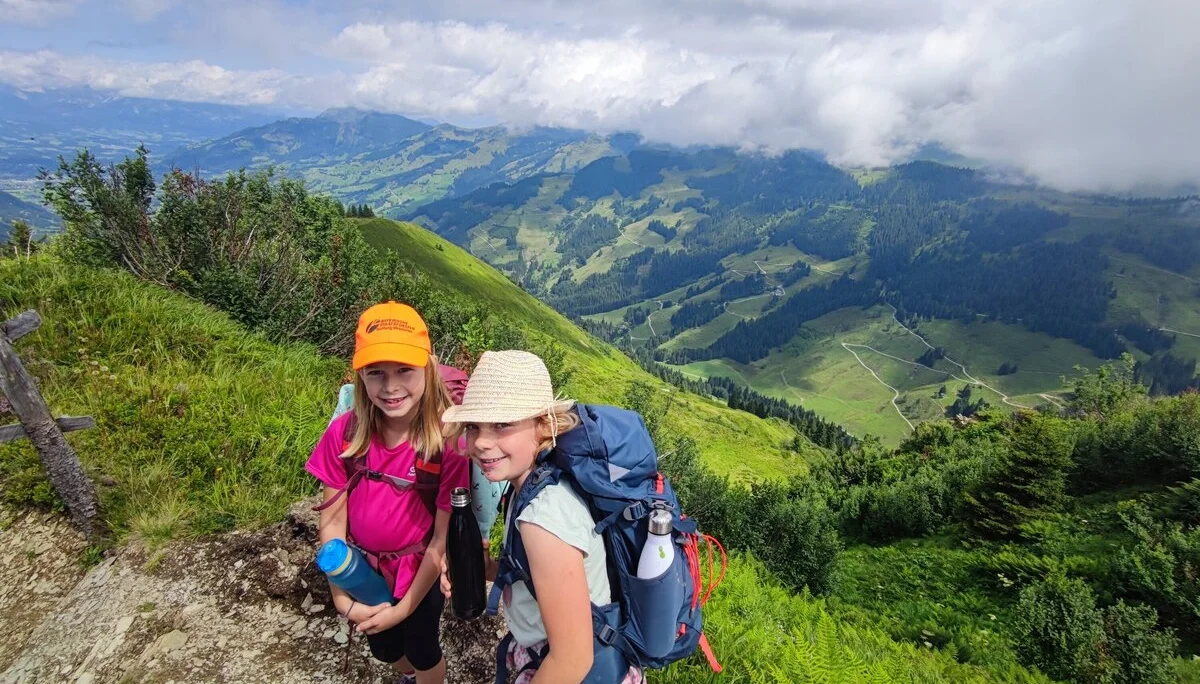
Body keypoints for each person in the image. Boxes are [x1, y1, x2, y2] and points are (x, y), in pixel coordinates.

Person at [440, 350, 645, 684]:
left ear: (544, 426)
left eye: (502, 424)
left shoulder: (544, 518)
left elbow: (572, 660)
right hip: (552, 653)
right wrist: (485, 567)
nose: (481, 442)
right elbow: (538, 578)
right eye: (474, 426)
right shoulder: (533, 483)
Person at [307, 301, 468, 684]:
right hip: (360, 569)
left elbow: (440, 539)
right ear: (360, 375)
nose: (391, 387)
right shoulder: (345, 434)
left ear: (427, 368)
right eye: (376, 373)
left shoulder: (447, 444)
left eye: (404, 371)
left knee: (423, 648)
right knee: (384, 649)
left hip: (419, 572)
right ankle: (407, 674)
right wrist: (341, 597)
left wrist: (402, 609)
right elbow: (331, 523)